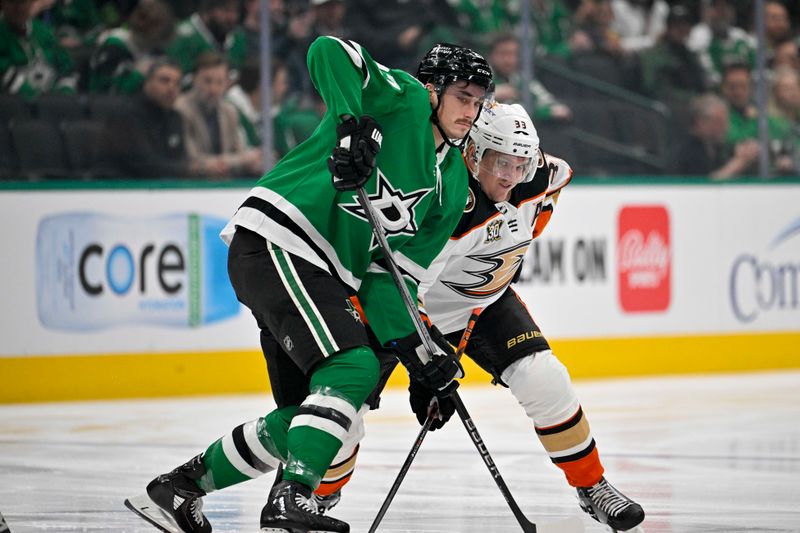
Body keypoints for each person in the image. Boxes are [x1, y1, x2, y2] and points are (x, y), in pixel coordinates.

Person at [125, 37, 493, 533]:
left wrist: (422, 357)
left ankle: (177, 490)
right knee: (353, 365)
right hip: (283, 238)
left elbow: (390, 279)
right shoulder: (402, 97)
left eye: (478, 101)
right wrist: (349, 126)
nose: (471, 111)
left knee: (316, 419)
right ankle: (292, 496)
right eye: (462, 97)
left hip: (321, 268)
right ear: (433, 89)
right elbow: (329, 50)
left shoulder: (451, 187)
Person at [306, 102, 648, 532]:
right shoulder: (445, 201)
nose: (510, 175)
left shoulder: (546, 177)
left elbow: (532, 209)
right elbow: (405, 290)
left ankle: (591, 484)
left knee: (546, 378)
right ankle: (317, 494)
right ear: (473, 153)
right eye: (499, 161)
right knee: (344, 407)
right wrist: (423, 367)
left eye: (520, 163)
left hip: (482, 303)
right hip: (396, 308)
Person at [98, 58, 200, 178]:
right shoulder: (127, 116)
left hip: (165, 189)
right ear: (148, 82)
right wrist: (188, 169)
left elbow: (180, 159)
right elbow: (144, 165)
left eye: (177, 83)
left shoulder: (175, 117)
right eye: (164, 81)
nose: (171, 88)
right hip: (120, 189)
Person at [175, 51, 261, 178]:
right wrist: (236, 161)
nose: (213, 89)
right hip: (191, 185)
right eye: (207, 81)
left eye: (219, 82)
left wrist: (250, 159)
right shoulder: (181, 109)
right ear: (194, 79)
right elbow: (192, 158)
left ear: (227, 83)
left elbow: (240, 152)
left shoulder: (229, 111)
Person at [88, 0, 175, 94]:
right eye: (154, 40)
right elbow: (104, 92)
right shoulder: (113, 48)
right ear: (141, 33)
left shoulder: (155, 52)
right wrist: (137, 76)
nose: (156, 44)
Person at [0, 0, 77, 98]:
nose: (18, 8)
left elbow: (67, 69)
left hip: (56, 105)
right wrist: (40, 100)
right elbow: (5, 75)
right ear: (2, 3)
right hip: (16, 107)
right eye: (13, 2)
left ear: (31, 3)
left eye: (22, 2)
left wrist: (64, 95)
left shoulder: (43, 31)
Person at [671, 93, 759, 178]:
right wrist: (740, 162)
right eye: (719, 122)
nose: (725, 128)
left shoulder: (716, 149)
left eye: (726, 122)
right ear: (701, 123)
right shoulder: (688, 152)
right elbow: (704, 187)